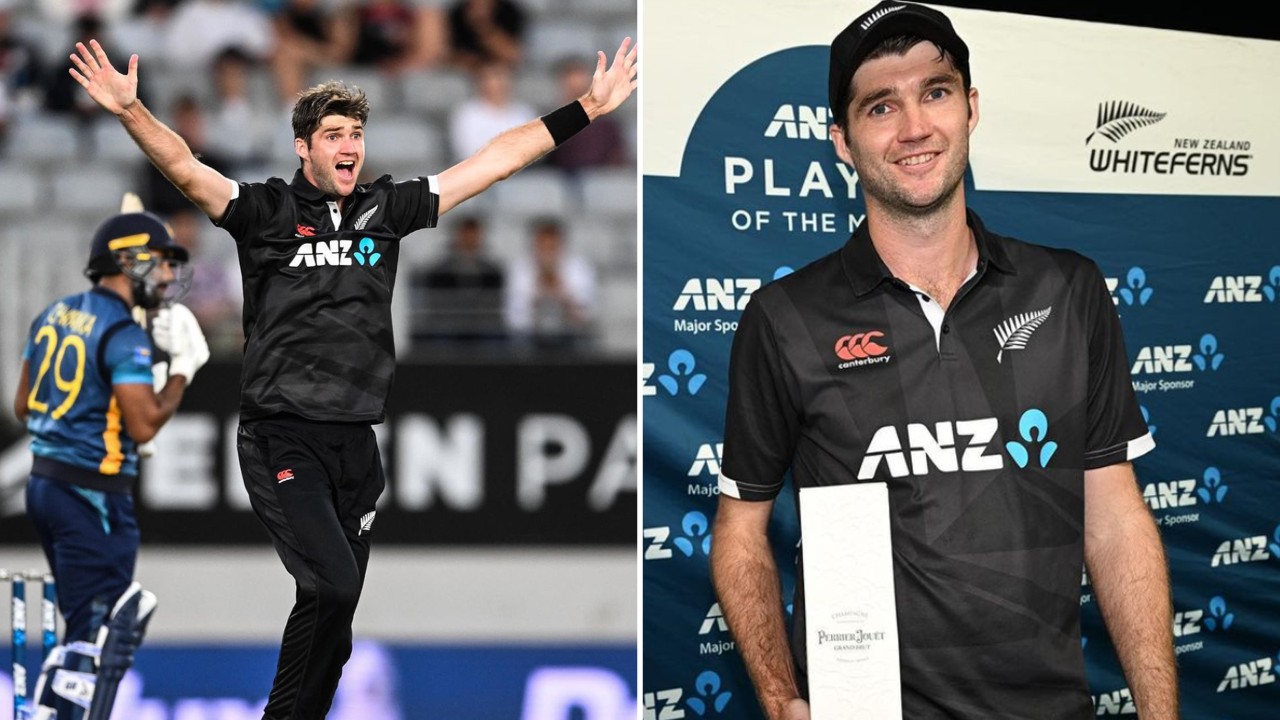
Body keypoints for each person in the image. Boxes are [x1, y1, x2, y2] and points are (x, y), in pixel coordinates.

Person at [68, 32, 636, 719]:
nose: (349, 145)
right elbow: (187, 170)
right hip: (284, 436)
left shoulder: (386, 210)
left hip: (357, 446)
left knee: (333, 632)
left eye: (357, 133)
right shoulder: (267, 211)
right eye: (334, 133)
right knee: (333, 587)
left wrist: (585, 108)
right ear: (303, 147)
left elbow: (495, 161)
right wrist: (132, 112)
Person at [709, 3, 1178, 720]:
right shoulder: (784, 319)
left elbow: (1113, 514)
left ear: (971, 107)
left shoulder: (1069, 288)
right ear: (841, 141)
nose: (914, 128)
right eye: (880, 107)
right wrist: (779, 697)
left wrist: (1160, 713)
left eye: (935, 92)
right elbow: (741, 531)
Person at [14, 210, 208, 720]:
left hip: (44, 485)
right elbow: (146, 423)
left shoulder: (54, 313)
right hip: (93, 495)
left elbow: (23, 405)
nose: (168, 277)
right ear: (129, 260)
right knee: (107, 630)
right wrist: (182, 370)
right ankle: (55, 712)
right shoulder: (124, 333)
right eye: (162, 264)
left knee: (87, 624)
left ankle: (51, 709)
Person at [409, 215, 507, 343]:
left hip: (481, 325)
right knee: (440, 336)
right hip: (448, 324)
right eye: (466, 235)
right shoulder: (439, 271)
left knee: (493, 337)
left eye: (473, 236)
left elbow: (493, 306)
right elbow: (437, 306)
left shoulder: (493, 272)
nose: (469, 240)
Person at [504, 216, 596, 344]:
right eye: (542, 246)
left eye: (552, 247)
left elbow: (586, 317)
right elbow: (514, 320)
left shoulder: (579, 268)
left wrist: (560, 291)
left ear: (561, 245)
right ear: (534, 245)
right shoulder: (520, 269)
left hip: (570, 336)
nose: (547, 253)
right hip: (530, 338)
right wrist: (539, 290)